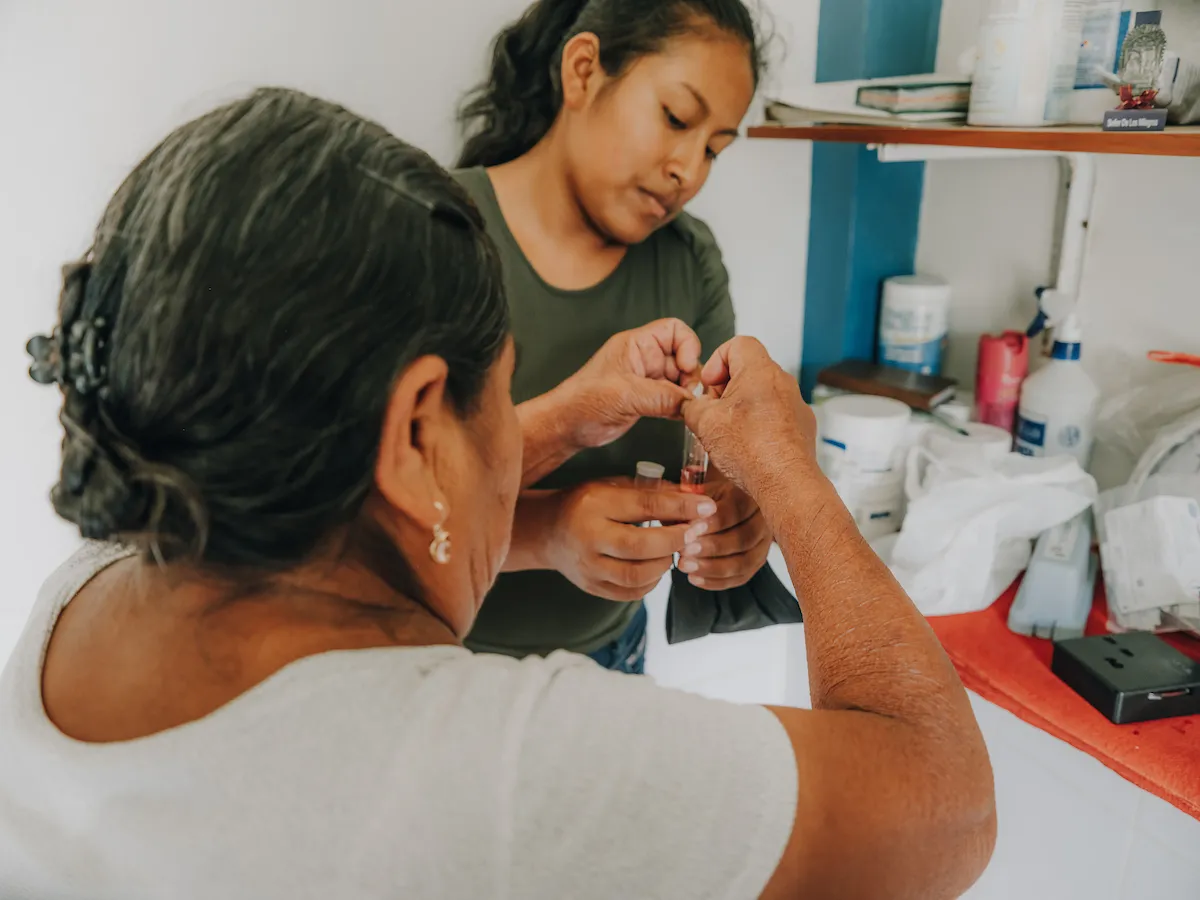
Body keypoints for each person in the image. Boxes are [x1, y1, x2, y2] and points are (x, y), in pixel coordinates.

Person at [0, 88, 995, 899]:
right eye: (503, 392)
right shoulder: (497, 767)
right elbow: (945, 810)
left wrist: (557, 425)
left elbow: (370, 515)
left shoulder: (99, 581)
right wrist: (790, 473)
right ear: (420, 428)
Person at [454, 0, 770, 670]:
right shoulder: (434, 234)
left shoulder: (688, 262)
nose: (691, 169)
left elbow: (719, 466)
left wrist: (738, 516)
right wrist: (546, 531)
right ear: (584, 71)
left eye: (714, 148)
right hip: (442, 662)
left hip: (613, 657)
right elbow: (360, 523)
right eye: (677, 119)